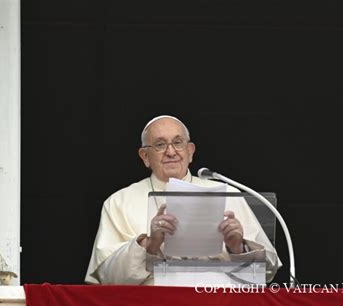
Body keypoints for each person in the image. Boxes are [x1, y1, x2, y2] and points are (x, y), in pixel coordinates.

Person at [85, 115, 280, 284]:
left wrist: (238, 247)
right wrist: (150, 245)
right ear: (145, 156)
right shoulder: (119, 202)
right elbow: (106, 278)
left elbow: (268, 272)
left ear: (190, 151)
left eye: (178, 142)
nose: (171, 152)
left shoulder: (227, 193)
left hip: (218, 303)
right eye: (160, 145)